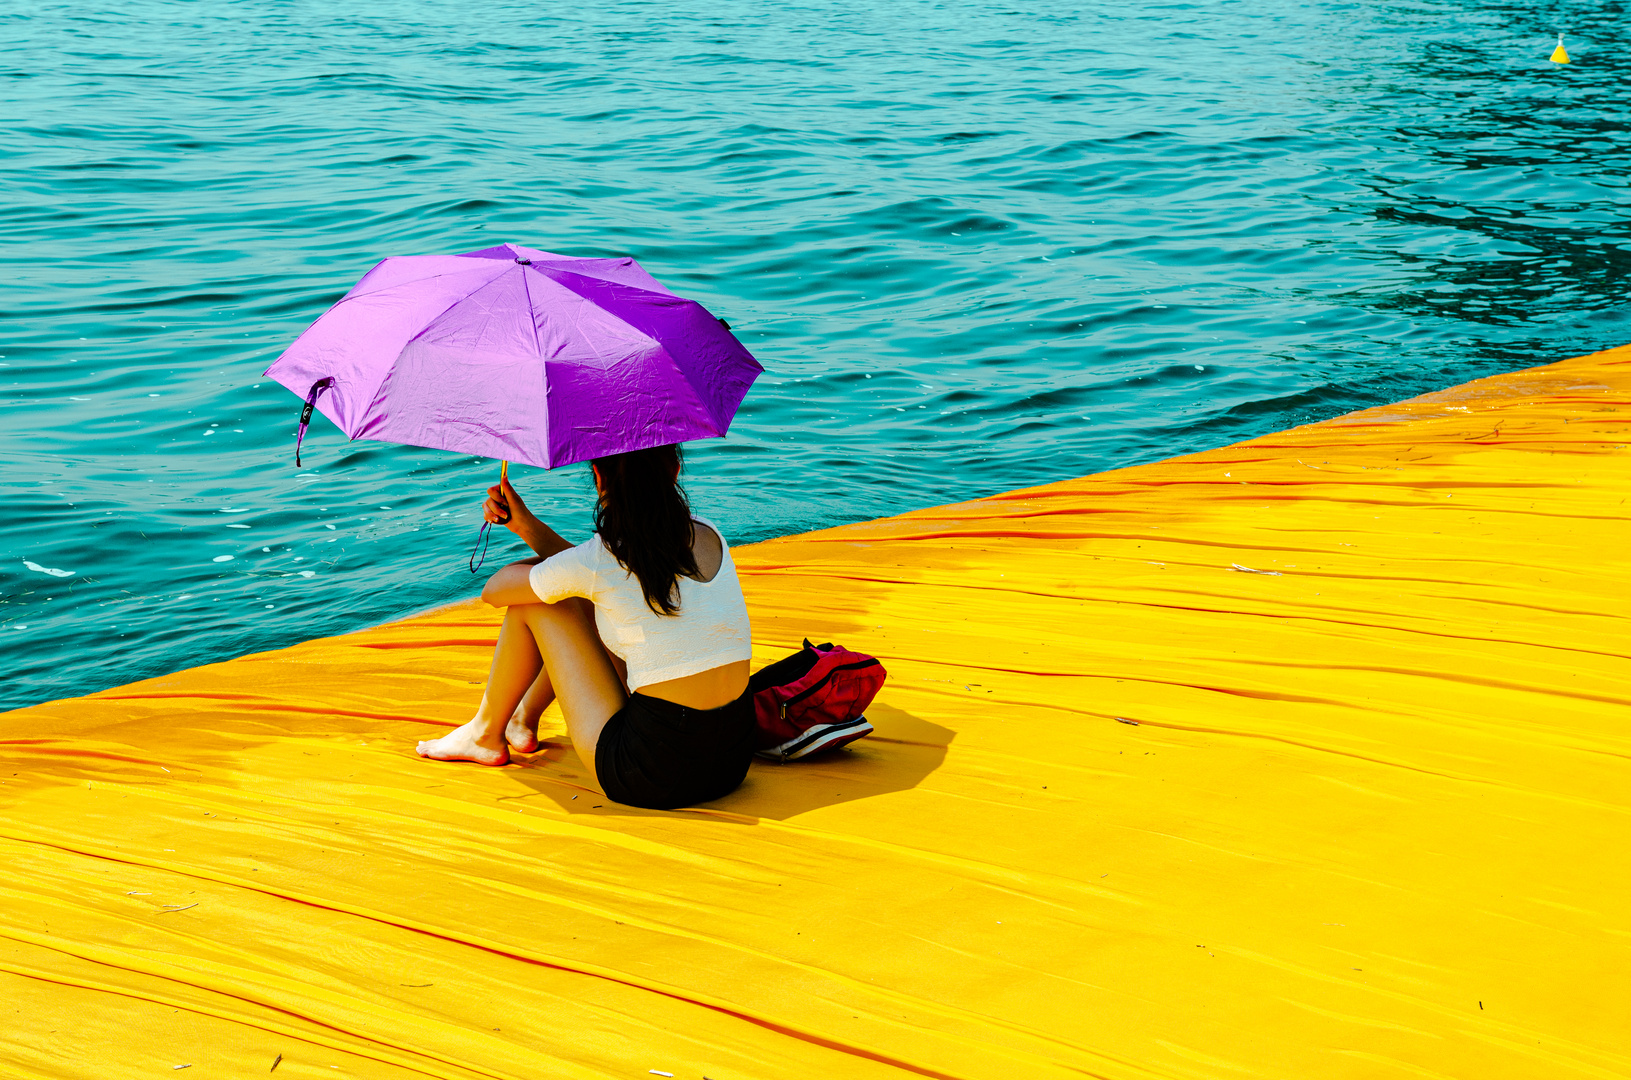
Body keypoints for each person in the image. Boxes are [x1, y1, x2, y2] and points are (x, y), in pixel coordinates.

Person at [415, 444, 755, 810]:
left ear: (598, 477)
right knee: (588, 596)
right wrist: (524, 525)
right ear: (674, 471)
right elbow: (601, 576)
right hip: (731, 759)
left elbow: (494, 591)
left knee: (539, 605)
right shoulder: (709, 535)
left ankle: (484, 733)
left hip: (651, 775)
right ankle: (522, 720)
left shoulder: (602, 561)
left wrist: (552, 571)